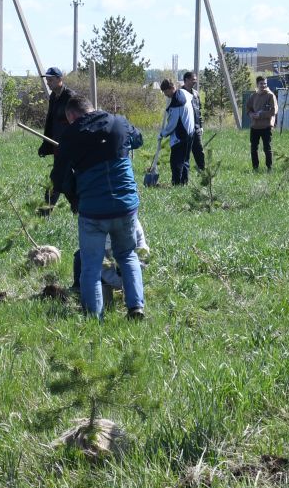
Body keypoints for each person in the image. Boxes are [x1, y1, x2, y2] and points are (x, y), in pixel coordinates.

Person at [53, 97, 145, 320]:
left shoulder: (71, 135)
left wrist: (73, 197)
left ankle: (95, 317)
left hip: (93, 210)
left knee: (91, 265)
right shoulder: (119, 123)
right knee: (126, 255)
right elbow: (138, 139)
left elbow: (59, 177)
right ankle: (135, 307)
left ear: (73, 116)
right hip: (125, 207)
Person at [38, 68, 73, 210]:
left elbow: (77, 121)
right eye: (47, 80)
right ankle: (77, 207)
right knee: (62, 177)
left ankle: (45, 210)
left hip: (70, 146)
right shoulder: (53, 97)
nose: (48, 83)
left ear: (60, 79)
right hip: (57, 145)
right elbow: (51, 121)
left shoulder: (71, 97)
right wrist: (46, 144)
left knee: (60, 177)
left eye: (51, 80)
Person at [159, 77, 194, 186]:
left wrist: (163, 133)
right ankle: (184, 183)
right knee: (185, 160)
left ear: (171, 88)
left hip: (181, 135)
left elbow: (173, 124)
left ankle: (176, 184)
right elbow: (192, 97)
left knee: (176, 162)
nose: (165, 94)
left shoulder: (176, 103)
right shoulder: (184, 92)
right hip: (190, 132)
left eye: (165, 92)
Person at [247, 76, 278, 171]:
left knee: (267, 148)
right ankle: (255, 168)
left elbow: (274, 111)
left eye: (265, 83)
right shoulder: (253, 96)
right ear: (257, 84)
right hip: (255, 126)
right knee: (253, 148)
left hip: (266, 126)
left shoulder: (270, 95)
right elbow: (248, 109)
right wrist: (252, 114)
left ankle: (269, 168)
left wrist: (261, 115)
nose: (263, 85)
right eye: (261, 83)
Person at [182, 70, 207, 173]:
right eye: (193, 80)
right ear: (186, 80)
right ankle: (184, 173)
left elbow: (198, 111)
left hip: (196, 127)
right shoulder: (180, 94)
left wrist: (200, 126)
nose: (195, 82)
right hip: (184, 128)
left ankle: (202, 171)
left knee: (199, 150)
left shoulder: (196, 94)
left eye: (195, 80)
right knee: (184, 152)